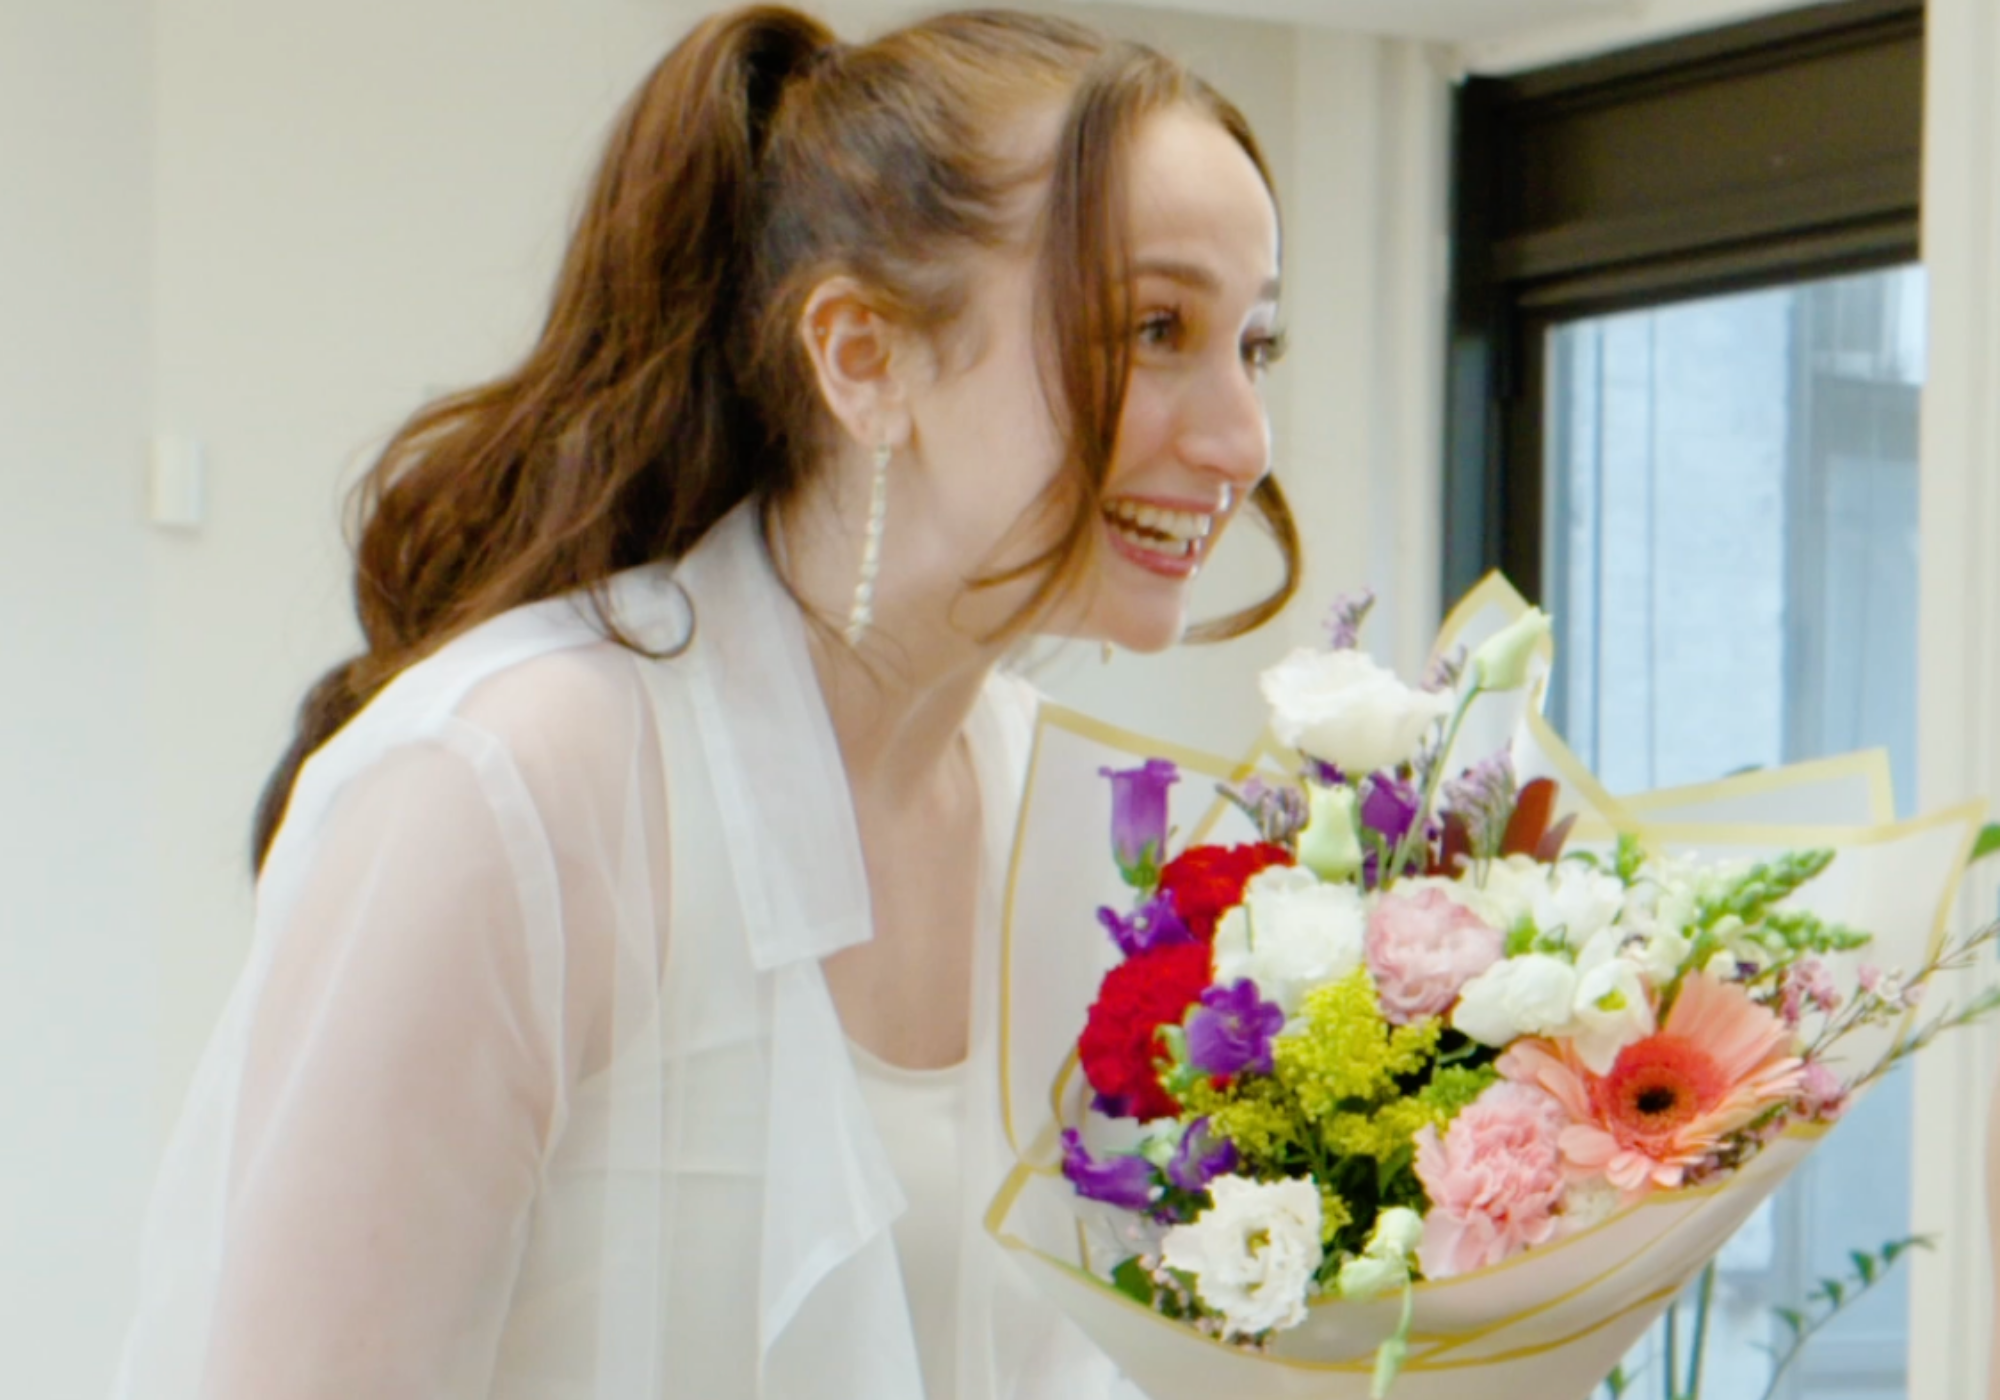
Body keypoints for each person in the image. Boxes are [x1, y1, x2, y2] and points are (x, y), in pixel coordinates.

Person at [110, 6, 1298, 1398]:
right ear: (863, 357)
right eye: (1156, 330)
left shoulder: (1073, 828)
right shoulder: (503, 789)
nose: (1240, 440)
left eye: (1255, 346)